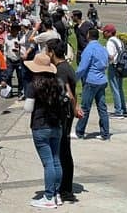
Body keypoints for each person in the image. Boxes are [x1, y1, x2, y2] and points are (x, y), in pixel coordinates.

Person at [23, 54, 63, 208]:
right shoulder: (57, 83)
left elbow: (28, 108)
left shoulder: (34, 85)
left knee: (48, 163)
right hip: (56, 125)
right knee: (56, 160)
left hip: (40, 125)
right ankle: (56, 193)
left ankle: (48, 197)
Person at [46, 39, 80, 203]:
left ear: (52, 52)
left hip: (63, 115)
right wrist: (75, 108)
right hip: (68, 113)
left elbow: (69, 94)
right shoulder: (67, 67)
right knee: (64, 150)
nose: (46, 54)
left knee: (63, 151)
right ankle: (65, 187)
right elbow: (74, 92)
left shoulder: (59, 71)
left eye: (47, 51)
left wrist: (72, 107)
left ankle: (65, 189)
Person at [74, 28, 110, 141]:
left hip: (91, 80)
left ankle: (79, 132)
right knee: (102, 107)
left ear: (88, 36)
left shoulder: (89, 49)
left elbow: (83, 67)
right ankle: (105, 133)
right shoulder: (102, 48)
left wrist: (74, 79)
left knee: (85, 107)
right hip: (102, 80)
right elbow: (106, 63)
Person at [103, 24, 127, 119]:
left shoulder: (110, 42)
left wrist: (104, 51)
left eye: (105, 31)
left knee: (115, 89)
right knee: (120, 88)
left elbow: (111, 56)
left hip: (114, 66)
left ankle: (118, 111)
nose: (103, 33)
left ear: (109, 32)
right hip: (121, 66)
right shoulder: (119, 40)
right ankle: (123, 109)